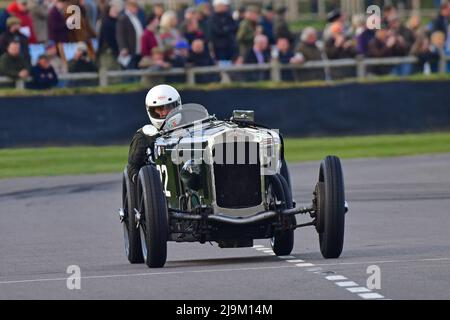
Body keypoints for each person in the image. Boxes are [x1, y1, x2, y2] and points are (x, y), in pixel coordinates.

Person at [127, 84, 182, 183]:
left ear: (177, 105)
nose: (165, 112)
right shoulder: (145, 136)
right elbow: (132, 168)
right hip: (158, 188)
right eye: (160, 109)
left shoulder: (190, 128)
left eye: (168, 107)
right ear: (151, 110)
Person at [116, 0, 144, 69]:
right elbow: (120, 34)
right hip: (129, 50)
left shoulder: (136, 17)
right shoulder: (123, 18)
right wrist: (123, 47)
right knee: (130, 70)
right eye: (134, 7)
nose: (136, 9)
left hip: (138, 49)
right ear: (129, 7)